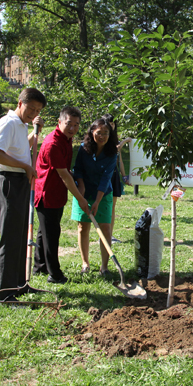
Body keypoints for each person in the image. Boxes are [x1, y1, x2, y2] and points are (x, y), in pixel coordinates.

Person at [0, 88, 46, 303]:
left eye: (38, 110)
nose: (33, 113)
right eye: (31, 108)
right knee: (11, 238)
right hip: (8, 181)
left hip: (20, 180)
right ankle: (4, 294)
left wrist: (34, 132)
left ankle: (19, 285)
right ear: (20, 103)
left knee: (21, 236)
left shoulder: (21, 125)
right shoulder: (8, 122)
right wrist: (25, 166)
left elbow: (19, 149)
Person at [32, 106, 91, 284]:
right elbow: (64, 175)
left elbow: (67, 171)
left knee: (45, 231)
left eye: (76, 124)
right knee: (51, 233)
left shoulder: (66, 139)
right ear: (59, 122)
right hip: (47, 193)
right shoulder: (53, 144)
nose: (73, 128)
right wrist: (80, 199)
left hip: (57, 194)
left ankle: (40, 266)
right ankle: (55, 274)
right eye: (69, 124)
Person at [71, 118, 118, 275]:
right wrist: (81, 188)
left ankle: (104, 267)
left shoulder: (112, 153)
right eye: (99, 133)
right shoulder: (84, 149)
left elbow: (106, 178)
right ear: (92, 133)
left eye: (106, 133)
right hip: (83, 193)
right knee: (83, 227)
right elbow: (77, 169)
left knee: (105, 227)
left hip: (103, 194)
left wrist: (97, 201)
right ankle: (85, 263)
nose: (102, 136)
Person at [102, 114, 132, 244]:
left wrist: (124, 176)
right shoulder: (103, 137)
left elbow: (119, 159)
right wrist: (125, 141)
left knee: (112, 207)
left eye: (113, 123)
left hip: (114, 175)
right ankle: (103, 234)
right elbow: (116, 150)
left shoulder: (115, 138)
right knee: (105, 206)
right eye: (108, 123)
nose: (111, 125)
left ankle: (110, 235)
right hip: (104, 175)